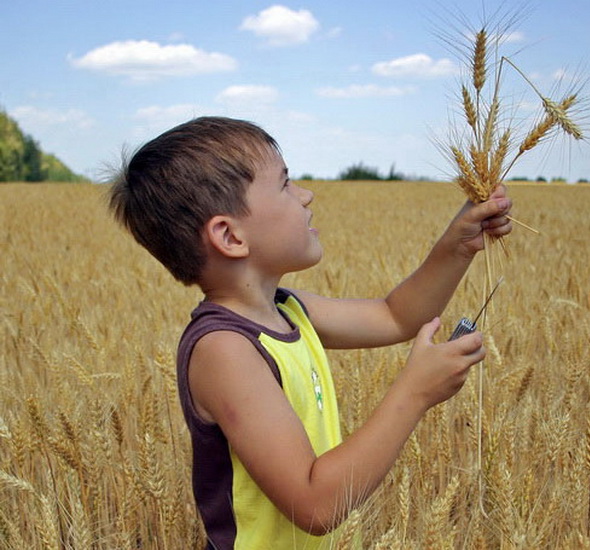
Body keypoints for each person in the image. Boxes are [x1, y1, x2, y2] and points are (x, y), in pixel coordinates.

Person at [108, 116, 512, 549]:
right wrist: (414, 393)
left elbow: (396, 316)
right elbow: (315, 506)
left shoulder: (287, 310)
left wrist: (458, 244)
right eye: (285, 184)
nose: (306, 195)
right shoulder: (224, 349)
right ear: (229, 235)